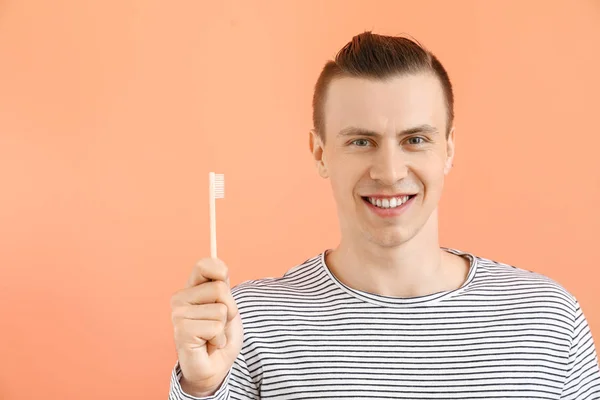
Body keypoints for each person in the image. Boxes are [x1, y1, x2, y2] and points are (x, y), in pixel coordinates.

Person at [168, 31, 600, 399]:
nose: (390, 172)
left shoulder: (547, 318)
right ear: (320, 153)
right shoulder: (243, 323)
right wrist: (202, 388)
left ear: (448, 149)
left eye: (415, 139)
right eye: (361, 141)